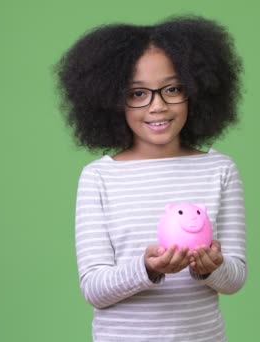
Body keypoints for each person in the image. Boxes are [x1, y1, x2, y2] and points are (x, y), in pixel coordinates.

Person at [55, 15, 247, 342]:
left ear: (196, 91)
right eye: (138, 94)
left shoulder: (220, 170)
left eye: (172, 89)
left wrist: (209, 267)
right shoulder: (99, 178)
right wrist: (148, 268)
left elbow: (235, 278)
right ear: (112, 101)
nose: (157, 106)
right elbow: (94, 288)